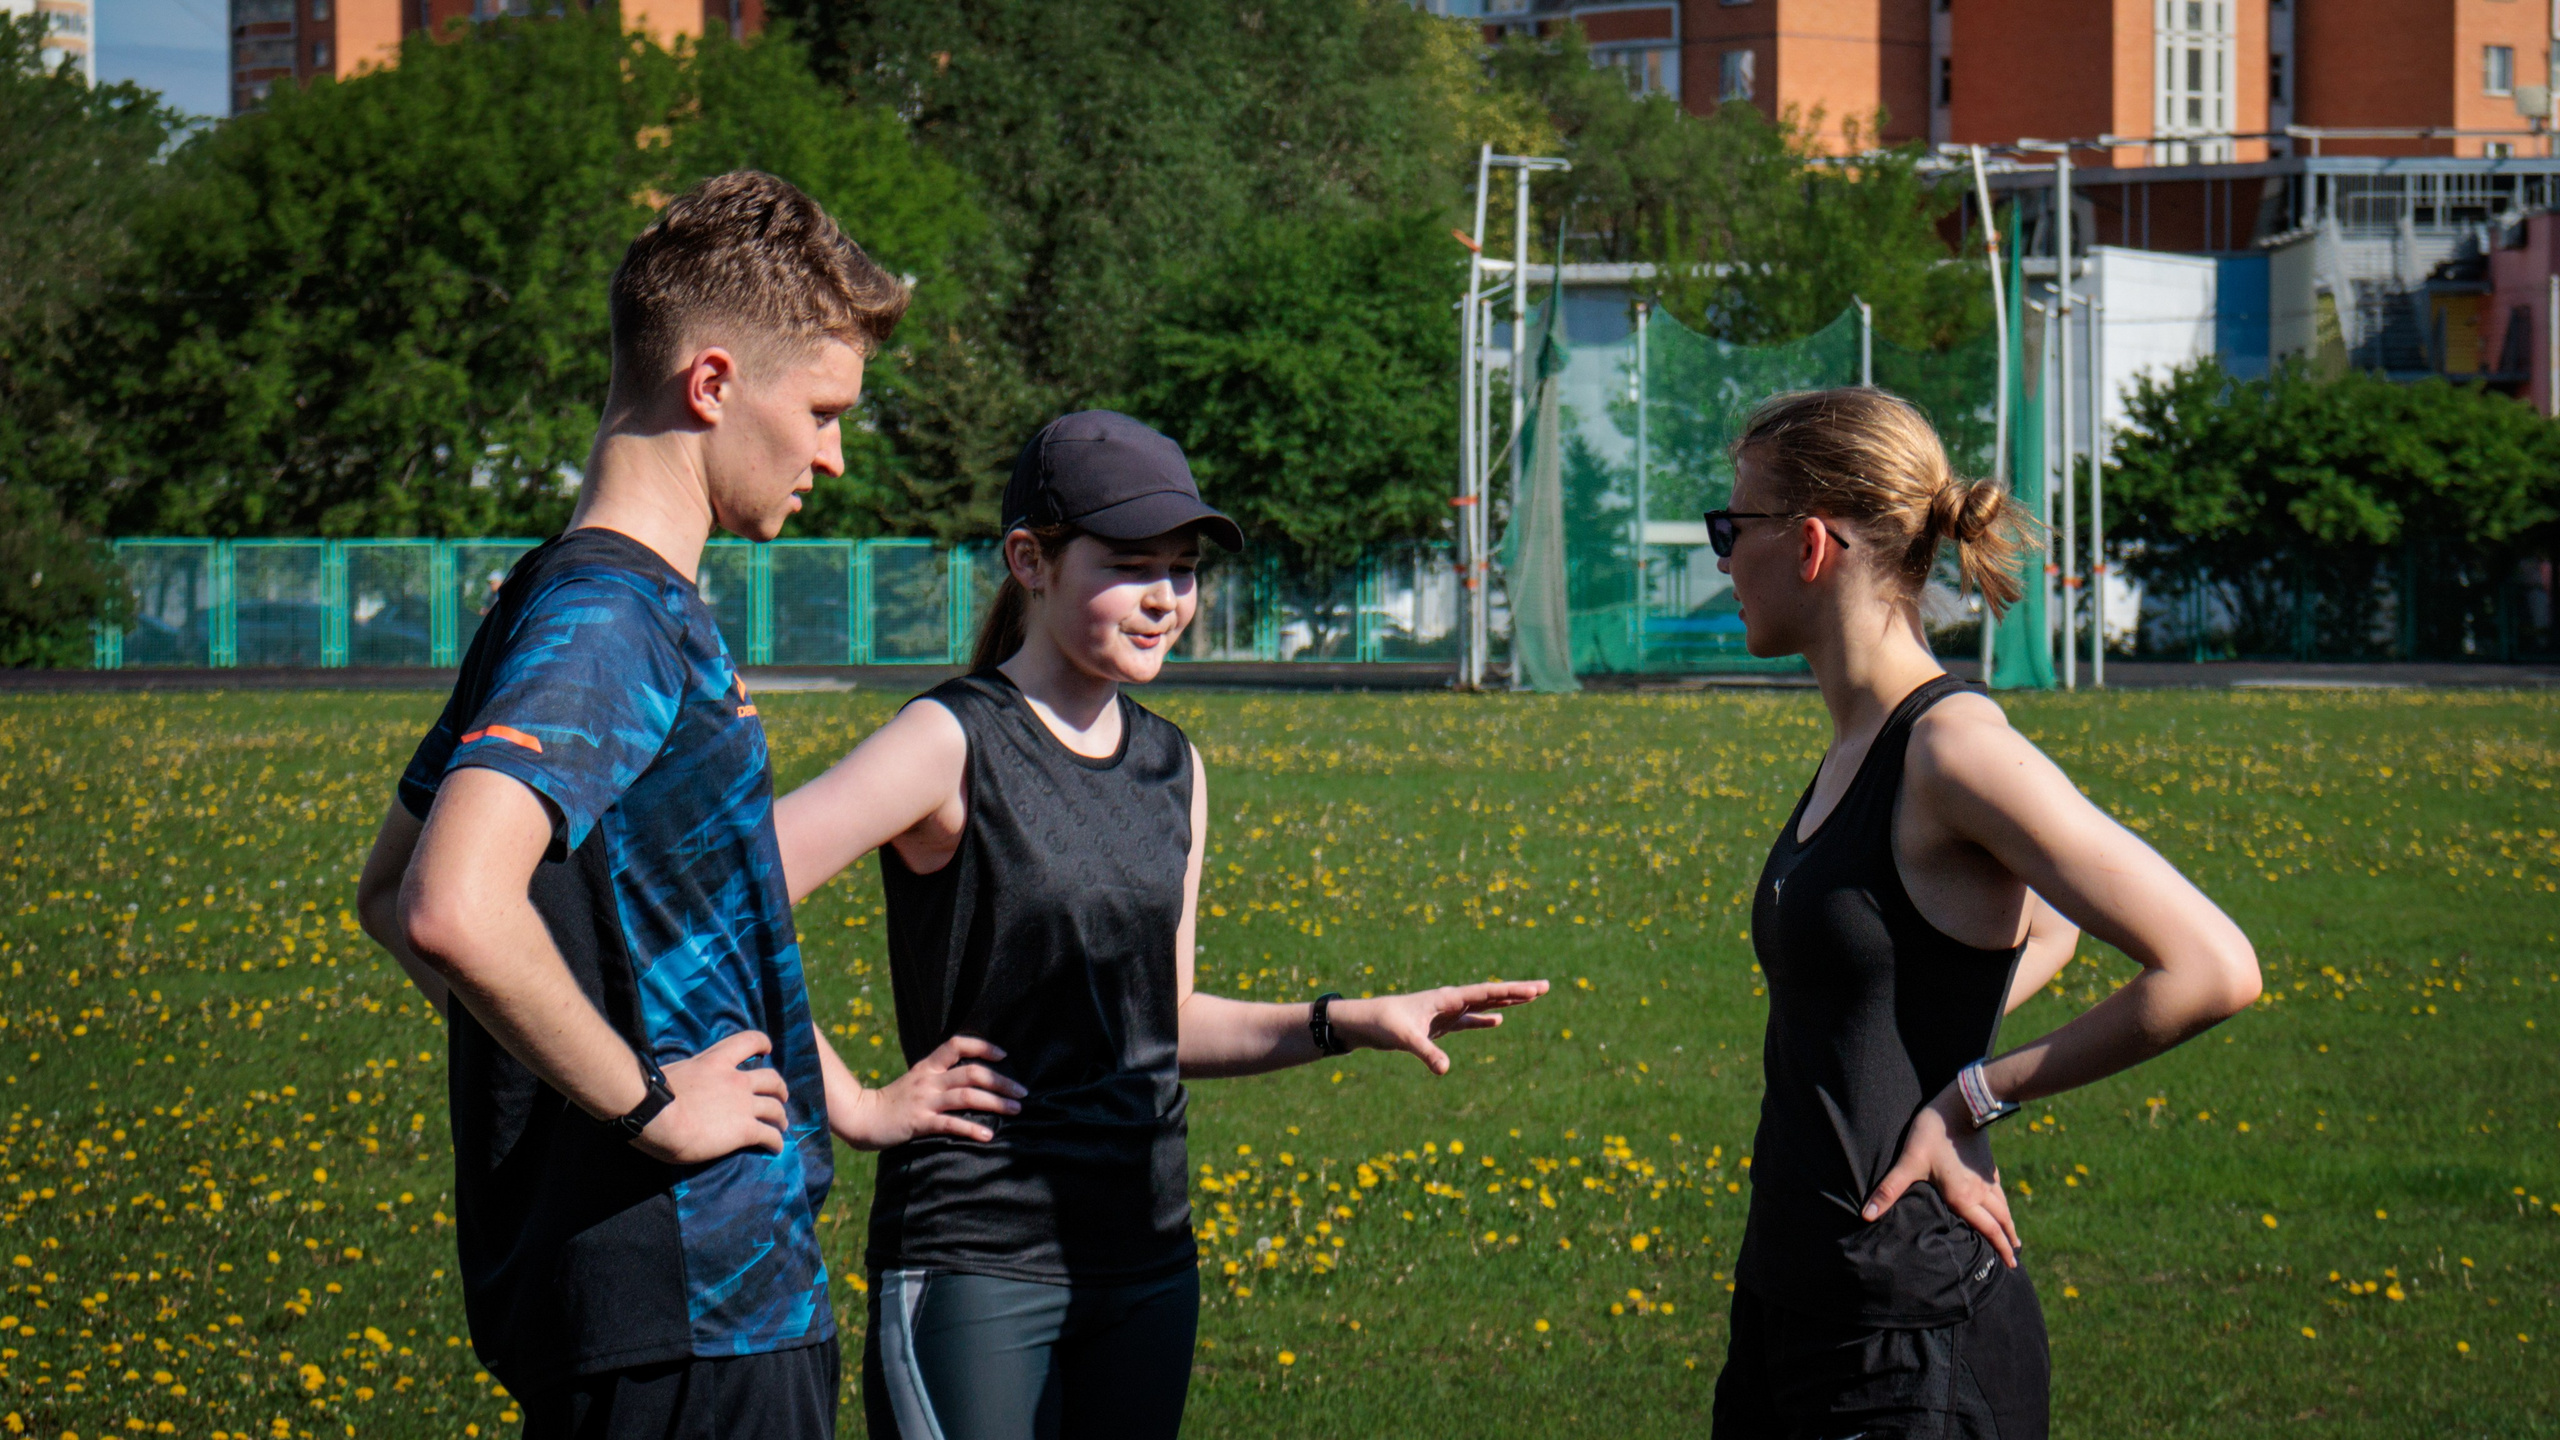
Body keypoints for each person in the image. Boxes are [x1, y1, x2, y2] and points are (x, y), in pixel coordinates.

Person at [354, 172, 1011, 1440]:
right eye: (821, 412)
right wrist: (644, 1102)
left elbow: (392, 892)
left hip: (662, 1301)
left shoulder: (561, 596)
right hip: (691, 1309)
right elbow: (445, 904)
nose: (832, 452)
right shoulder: (610, 620)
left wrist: (847, 1103)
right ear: (712, 384)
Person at [769, 410, 1550, 1440]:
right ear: (1030, 561)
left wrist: (1351, 1017)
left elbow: (1164, 1024)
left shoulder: (1171, 764)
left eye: (1182, 570)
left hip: (1144, 1258)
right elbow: (735, 888)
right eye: (1132, 565)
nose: (1167, 599)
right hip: (977, 1260)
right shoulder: (949, 740)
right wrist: (858, 1105)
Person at [1703, 389, 2261, 1439]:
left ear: (1811, 542)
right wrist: (1941, 1028)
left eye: (1733, 527)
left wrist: (1970, 1096)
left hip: (1909, 1343)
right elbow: (2043, 924)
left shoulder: (1949, 747)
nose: (1721, 557)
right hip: (1792, 1307)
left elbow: (2211, 965)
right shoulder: (1854, 748)